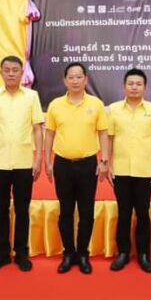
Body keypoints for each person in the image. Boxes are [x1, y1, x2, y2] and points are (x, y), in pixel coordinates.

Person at [0, 56, 44, 272]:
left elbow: (37, 129)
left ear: (21, 73)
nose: (11, 73)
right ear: (1, 72)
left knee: (22, 210)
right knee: (1, 209)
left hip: (24, 161)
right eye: (7, 70)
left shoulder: (32, 96)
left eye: (15, 70)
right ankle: (2, 253)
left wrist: (39, 158)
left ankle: (22, 253)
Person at [43, 62, 110, 274]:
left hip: (88, 165)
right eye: (71, 77)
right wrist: (47, 161)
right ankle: (68, 253)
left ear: (85, 79)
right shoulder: (55, 105)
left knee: (86, 212)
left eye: (79, 77)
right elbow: (49, 134)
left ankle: (82, 254)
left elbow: (103, 133)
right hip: (62, 164)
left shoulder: (96, 104)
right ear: (65, 80)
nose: (75, 81)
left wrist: (104, 160)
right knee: (65, 211)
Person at [107, 69, 151, 273]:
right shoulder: (113, 109)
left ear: (145, 87)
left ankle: (143, 254)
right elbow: (109, 138)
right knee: (123, 212)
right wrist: (107, 163)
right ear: (124, 86)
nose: (134, 87)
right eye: (130, 83)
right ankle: (122, 252)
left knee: (142, 213)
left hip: (144, 171)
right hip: (120, 170)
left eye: (138, 84)